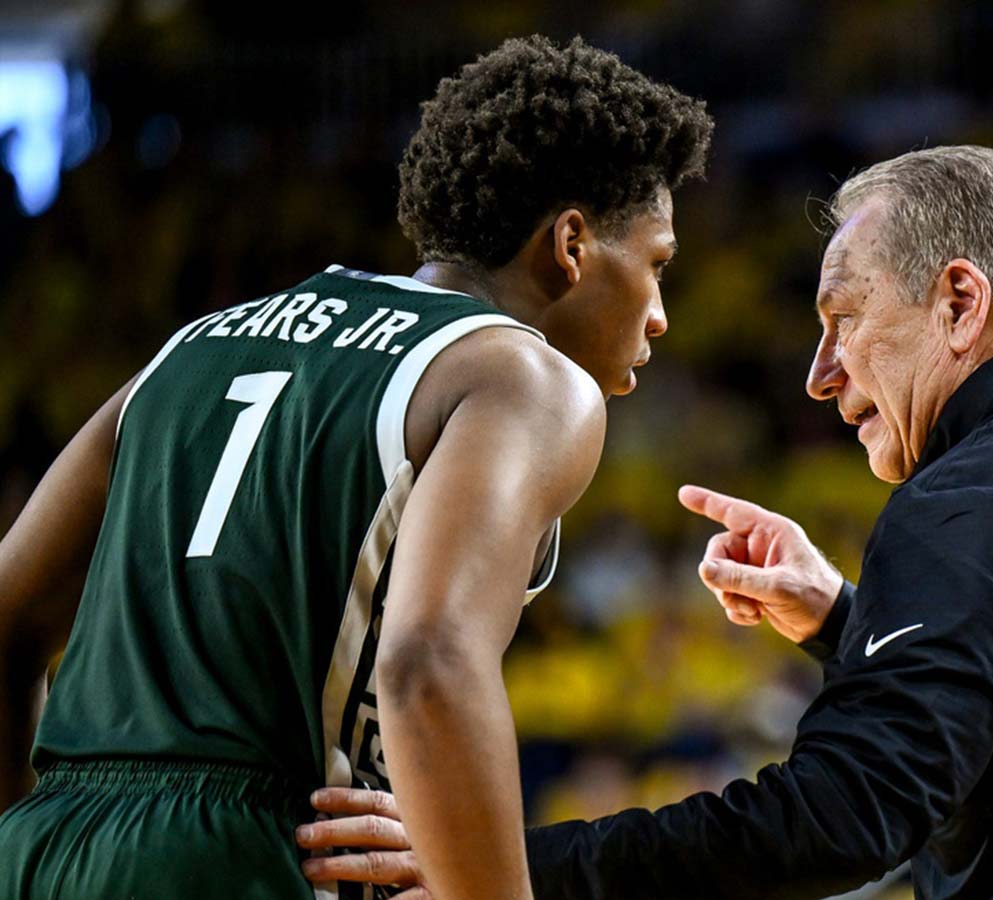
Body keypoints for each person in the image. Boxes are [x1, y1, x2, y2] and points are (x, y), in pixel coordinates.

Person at [302, 145, 993, 898]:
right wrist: (849, 620)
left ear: (961, 304)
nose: (819, 375)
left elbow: (847, 814)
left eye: (843, 317)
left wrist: (494, 864)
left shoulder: (982, 487)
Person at [0, 35, 712, 900]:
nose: (662, 314)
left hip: (42, 848)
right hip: (263, 855)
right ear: (570, 244)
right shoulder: (523, 377)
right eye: (657, 265)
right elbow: (428, 661)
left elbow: (6, 619)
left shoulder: (192, 347)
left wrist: (48, 838)